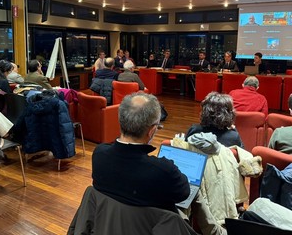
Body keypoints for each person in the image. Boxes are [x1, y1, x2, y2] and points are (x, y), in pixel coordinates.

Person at [92, 92, 226, 235]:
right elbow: (184, 193)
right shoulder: (164, 170)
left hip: (110, 227)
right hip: (151, 229)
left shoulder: (99, 154)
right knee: (195, 193)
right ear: (151, 131)